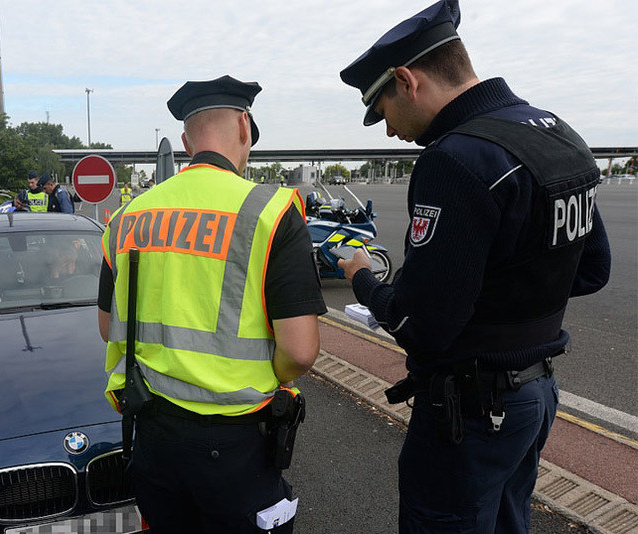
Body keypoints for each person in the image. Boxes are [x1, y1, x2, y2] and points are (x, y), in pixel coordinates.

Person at [337, 1, 611, 532]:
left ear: (406, 80)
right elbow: (591, 268)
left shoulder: (455, 158)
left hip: (470, 411)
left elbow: (424, 327)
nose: (390, 132)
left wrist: (364, 278)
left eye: (383, 110)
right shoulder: (556, 134)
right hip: (535, 398)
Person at [98, 75, 326, 533]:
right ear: (244, 126)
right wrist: (261, 374)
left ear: (185, 142)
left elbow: (109, 327)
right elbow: (300, 351)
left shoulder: (126, 217)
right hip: (235, 447)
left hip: (154, 438)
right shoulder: (271, 211)